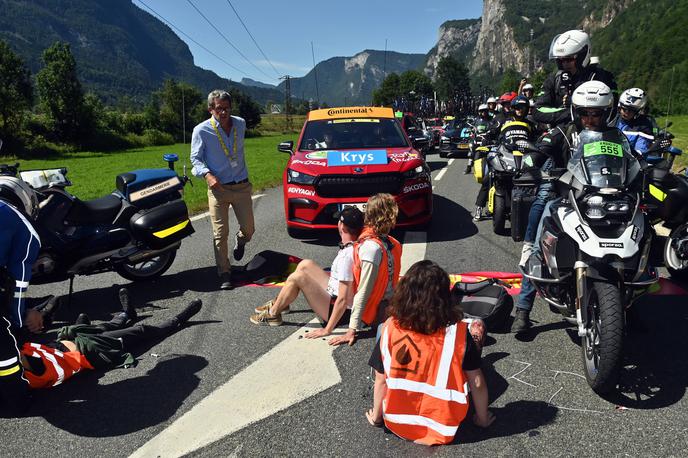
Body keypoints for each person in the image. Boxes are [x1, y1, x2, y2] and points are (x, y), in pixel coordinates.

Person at [513, 81, 616, 332]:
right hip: (569, 199)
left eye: (597, 113)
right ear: (576, 112)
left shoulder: (616, 136)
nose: (590, 119)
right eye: (585, 113)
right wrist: (529, 162)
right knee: (541, 239)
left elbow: (632, 161)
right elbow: (538, 151)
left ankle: (628, 305)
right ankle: (523, 309)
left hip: (608, 201)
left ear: (606, 113)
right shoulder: (563, 131)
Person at [366, 260, 494, 445]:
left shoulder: (390, 328)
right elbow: (477, 382)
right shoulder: (456, 333)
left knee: (382, 336)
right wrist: (482, 419)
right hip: (443, 427)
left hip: (397, 423)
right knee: (477, 327)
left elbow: (380, 380)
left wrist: (377, 417)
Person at [18, 288, 203, 389]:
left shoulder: (16, 359)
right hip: (89, 352)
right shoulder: (24, 367)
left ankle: (126, 313)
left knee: (103, 326)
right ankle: (179, 319)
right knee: (141, 330)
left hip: (67, 340)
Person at [249, 207, 364, 343]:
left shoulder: (347, 256)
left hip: (339, 311)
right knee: (305, 264)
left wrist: (327, 329)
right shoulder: (353, 245)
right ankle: (283, 302)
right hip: (334, 293)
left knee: (297, 278)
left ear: (341, 226)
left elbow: (343, 299)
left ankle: (273, 314)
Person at [190, 90, 254, 290]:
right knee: (220, 233)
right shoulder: (201, 130)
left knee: (249, 229)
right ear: (211, 109)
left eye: (227, 108)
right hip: (218, 188)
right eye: (219, 109)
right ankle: (224, 272)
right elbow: (195, 159)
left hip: (242, 186)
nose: (224, 113)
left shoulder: (240, 124)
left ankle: (241, 241)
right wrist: (208, 176)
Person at [329, 193, 402, 346]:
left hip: (378, 311)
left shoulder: (371, 248)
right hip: (390, 304)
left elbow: (364, 291)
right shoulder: (392, 243)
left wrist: (352, 329)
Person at [0, 175, 41, 415]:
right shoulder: (24, 228)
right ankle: (16, 402)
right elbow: (18, 284)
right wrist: (17, 327)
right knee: (5, 358)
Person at [532, 30, 617, 127]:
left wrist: (574, 102)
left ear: (582, 55)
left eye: (569, 59)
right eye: (560, 60)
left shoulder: (602, 77)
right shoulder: (555, 79)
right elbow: (538, 110)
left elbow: (612, 109)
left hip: (595, 133)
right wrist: (572, 112)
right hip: (562, 133)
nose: (564, 63)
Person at [473, 94, 535, 221]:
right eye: (517, 107)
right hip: (505, 153)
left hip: (524, 156)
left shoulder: (530, 124)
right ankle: (479, 207)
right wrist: (485, 141)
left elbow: (537, 139)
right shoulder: (503, 120)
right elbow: (491, 132)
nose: (520, 109)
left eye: (523, 107)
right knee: (488, 177)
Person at [616, 88, 654, 157]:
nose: (626, 113)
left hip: (629, 163)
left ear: (638, 111)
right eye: (624, 109)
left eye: (631, 110)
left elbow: (641, 149)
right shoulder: (613, 120)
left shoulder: (644, 126)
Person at [464, 103, 492, 174]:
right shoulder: (477, 120)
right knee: (471, 152)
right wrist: (470, 129)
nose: (483, 113)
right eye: (481, 111)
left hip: (487, 138)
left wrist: (491, 131)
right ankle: (469, 167)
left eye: (485, 111)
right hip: (477, 138)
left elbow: (494, 126)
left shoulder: (490, 120)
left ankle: (492, 167)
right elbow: (472, 126)